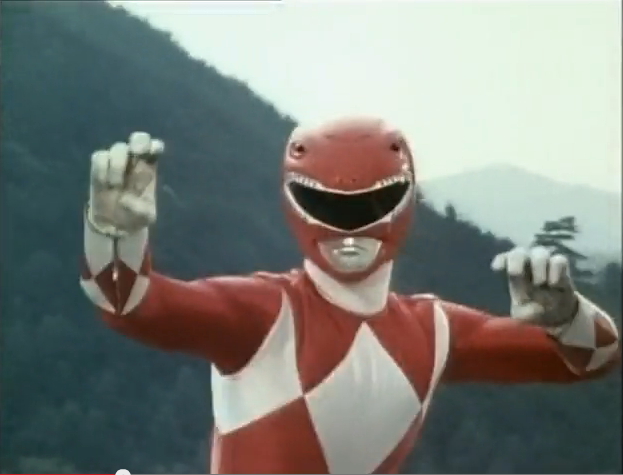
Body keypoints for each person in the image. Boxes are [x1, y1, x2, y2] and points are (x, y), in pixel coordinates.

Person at [80, 117, 620, 474]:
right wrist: (113, 234)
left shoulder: (433, 330)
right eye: (327, 206)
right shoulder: (268, 313)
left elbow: (593, 359)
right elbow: (132, 308)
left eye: (369, 205)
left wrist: (567, 315)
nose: (349, 229)